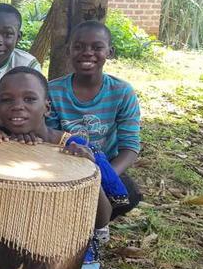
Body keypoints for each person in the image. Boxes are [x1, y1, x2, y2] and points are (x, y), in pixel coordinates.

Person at [0, 66, 112, 269]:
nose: (17, 106)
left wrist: (92, 174)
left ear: (47, 107)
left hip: (69, 244)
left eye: (29, 99)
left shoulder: (75, 148)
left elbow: (103, 218)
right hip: (18, 241)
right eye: (7, 100)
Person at [46, 20, 143, 222]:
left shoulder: (122, 92)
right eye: (79, 47)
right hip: (63, 165)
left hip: (104, 165)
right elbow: (49, 139)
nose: (87, 52)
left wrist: (102, 174)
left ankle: (93, 225)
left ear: (110, 52)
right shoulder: (53, 91)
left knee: (129, 194)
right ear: (68, 51)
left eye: (97, 47)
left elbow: (130, 147)